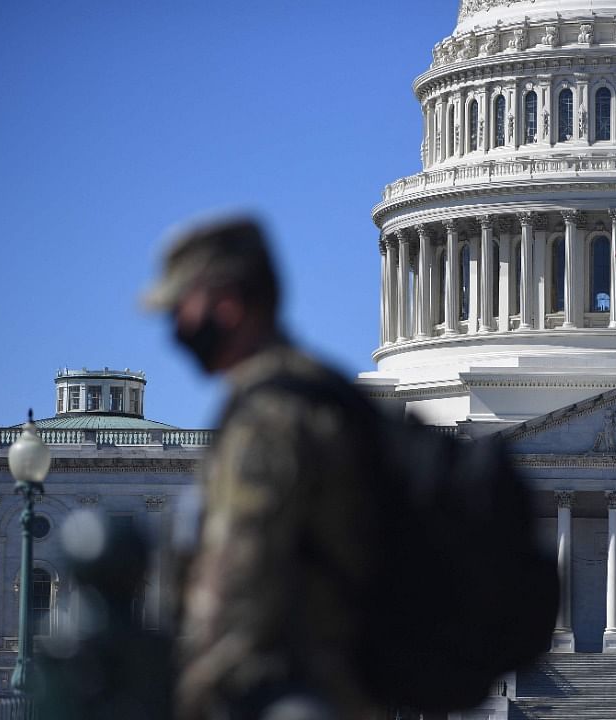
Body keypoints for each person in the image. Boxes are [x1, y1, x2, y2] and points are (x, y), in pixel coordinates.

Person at [143, 216, 383, 720]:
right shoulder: (328, 391)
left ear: (226, 305)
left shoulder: (268, 418)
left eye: (180, 309)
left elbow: (238, 585)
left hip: (290, 690)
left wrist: (192, 694)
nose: (175, 330)